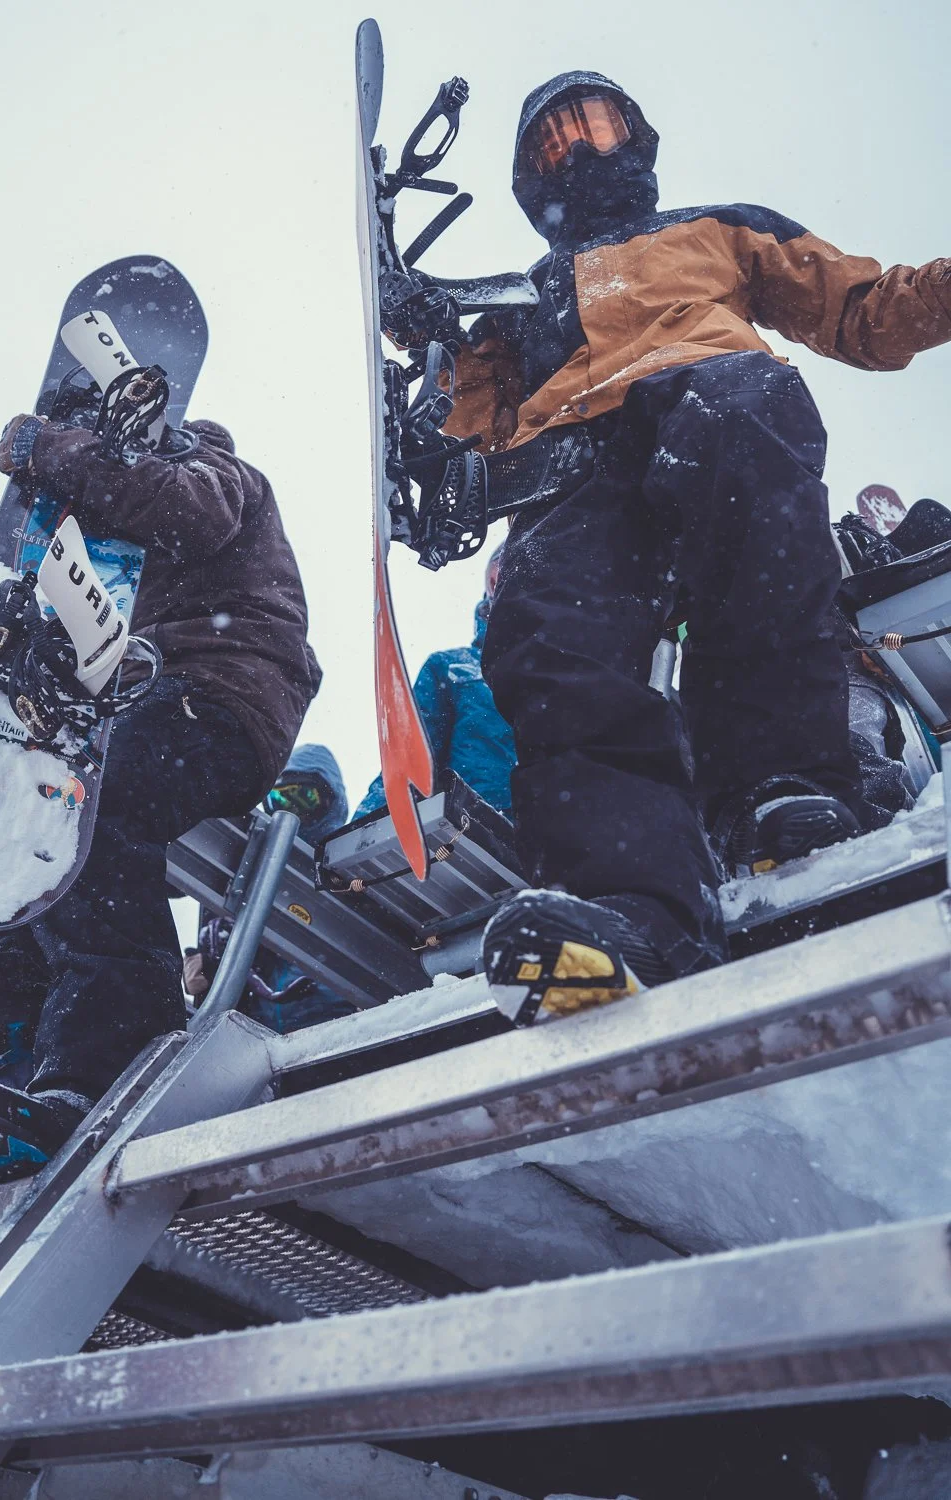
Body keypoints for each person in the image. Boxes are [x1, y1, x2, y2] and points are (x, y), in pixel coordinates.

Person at [394, 74, 951, 1025]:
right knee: (544, 625)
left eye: (598, 126)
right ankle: (632, 899)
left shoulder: (717, 230)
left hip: (705, 392)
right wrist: (427, 354)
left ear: (637, 138)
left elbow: (864, 309)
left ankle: (778, 786)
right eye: (558, 143)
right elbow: (466, 430)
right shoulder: (518, 305)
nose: (584, 151)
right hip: (573, 456)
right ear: (534, 180)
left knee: (746, 438)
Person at [0, 412, 320, 1180]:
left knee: (87, 810)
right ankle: (17, 1061)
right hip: (153, 698)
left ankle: (111, 1067)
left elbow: (187, 509)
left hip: (220, 698)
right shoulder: (137, 549)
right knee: (29, 847)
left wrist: (56, 451)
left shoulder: (219, 471)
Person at [185, 742, 358, 1034]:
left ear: (331, 801)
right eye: (281, 798)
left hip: (335, 1032)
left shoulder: (347, 873)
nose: (293, 812)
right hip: (257, 1038)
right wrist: (207, 968)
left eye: (305, 798)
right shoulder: (247, 871)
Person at [355, 545, 516, 820]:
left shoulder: (572, 677)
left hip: (549, 835)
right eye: (500, 578)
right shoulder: (453, 669)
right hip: (469, 829)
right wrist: (368, 826)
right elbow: (409, 758)